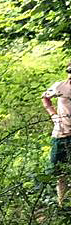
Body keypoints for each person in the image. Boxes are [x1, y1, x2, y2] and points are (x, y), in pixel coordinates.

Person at [42, 64, 71, 204]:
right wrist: (53, 115)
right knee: (60, 172)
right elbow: (45, 97)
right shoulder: (59, 86)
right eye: (69, 71)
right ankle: (62, 204)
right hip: (61, 135)